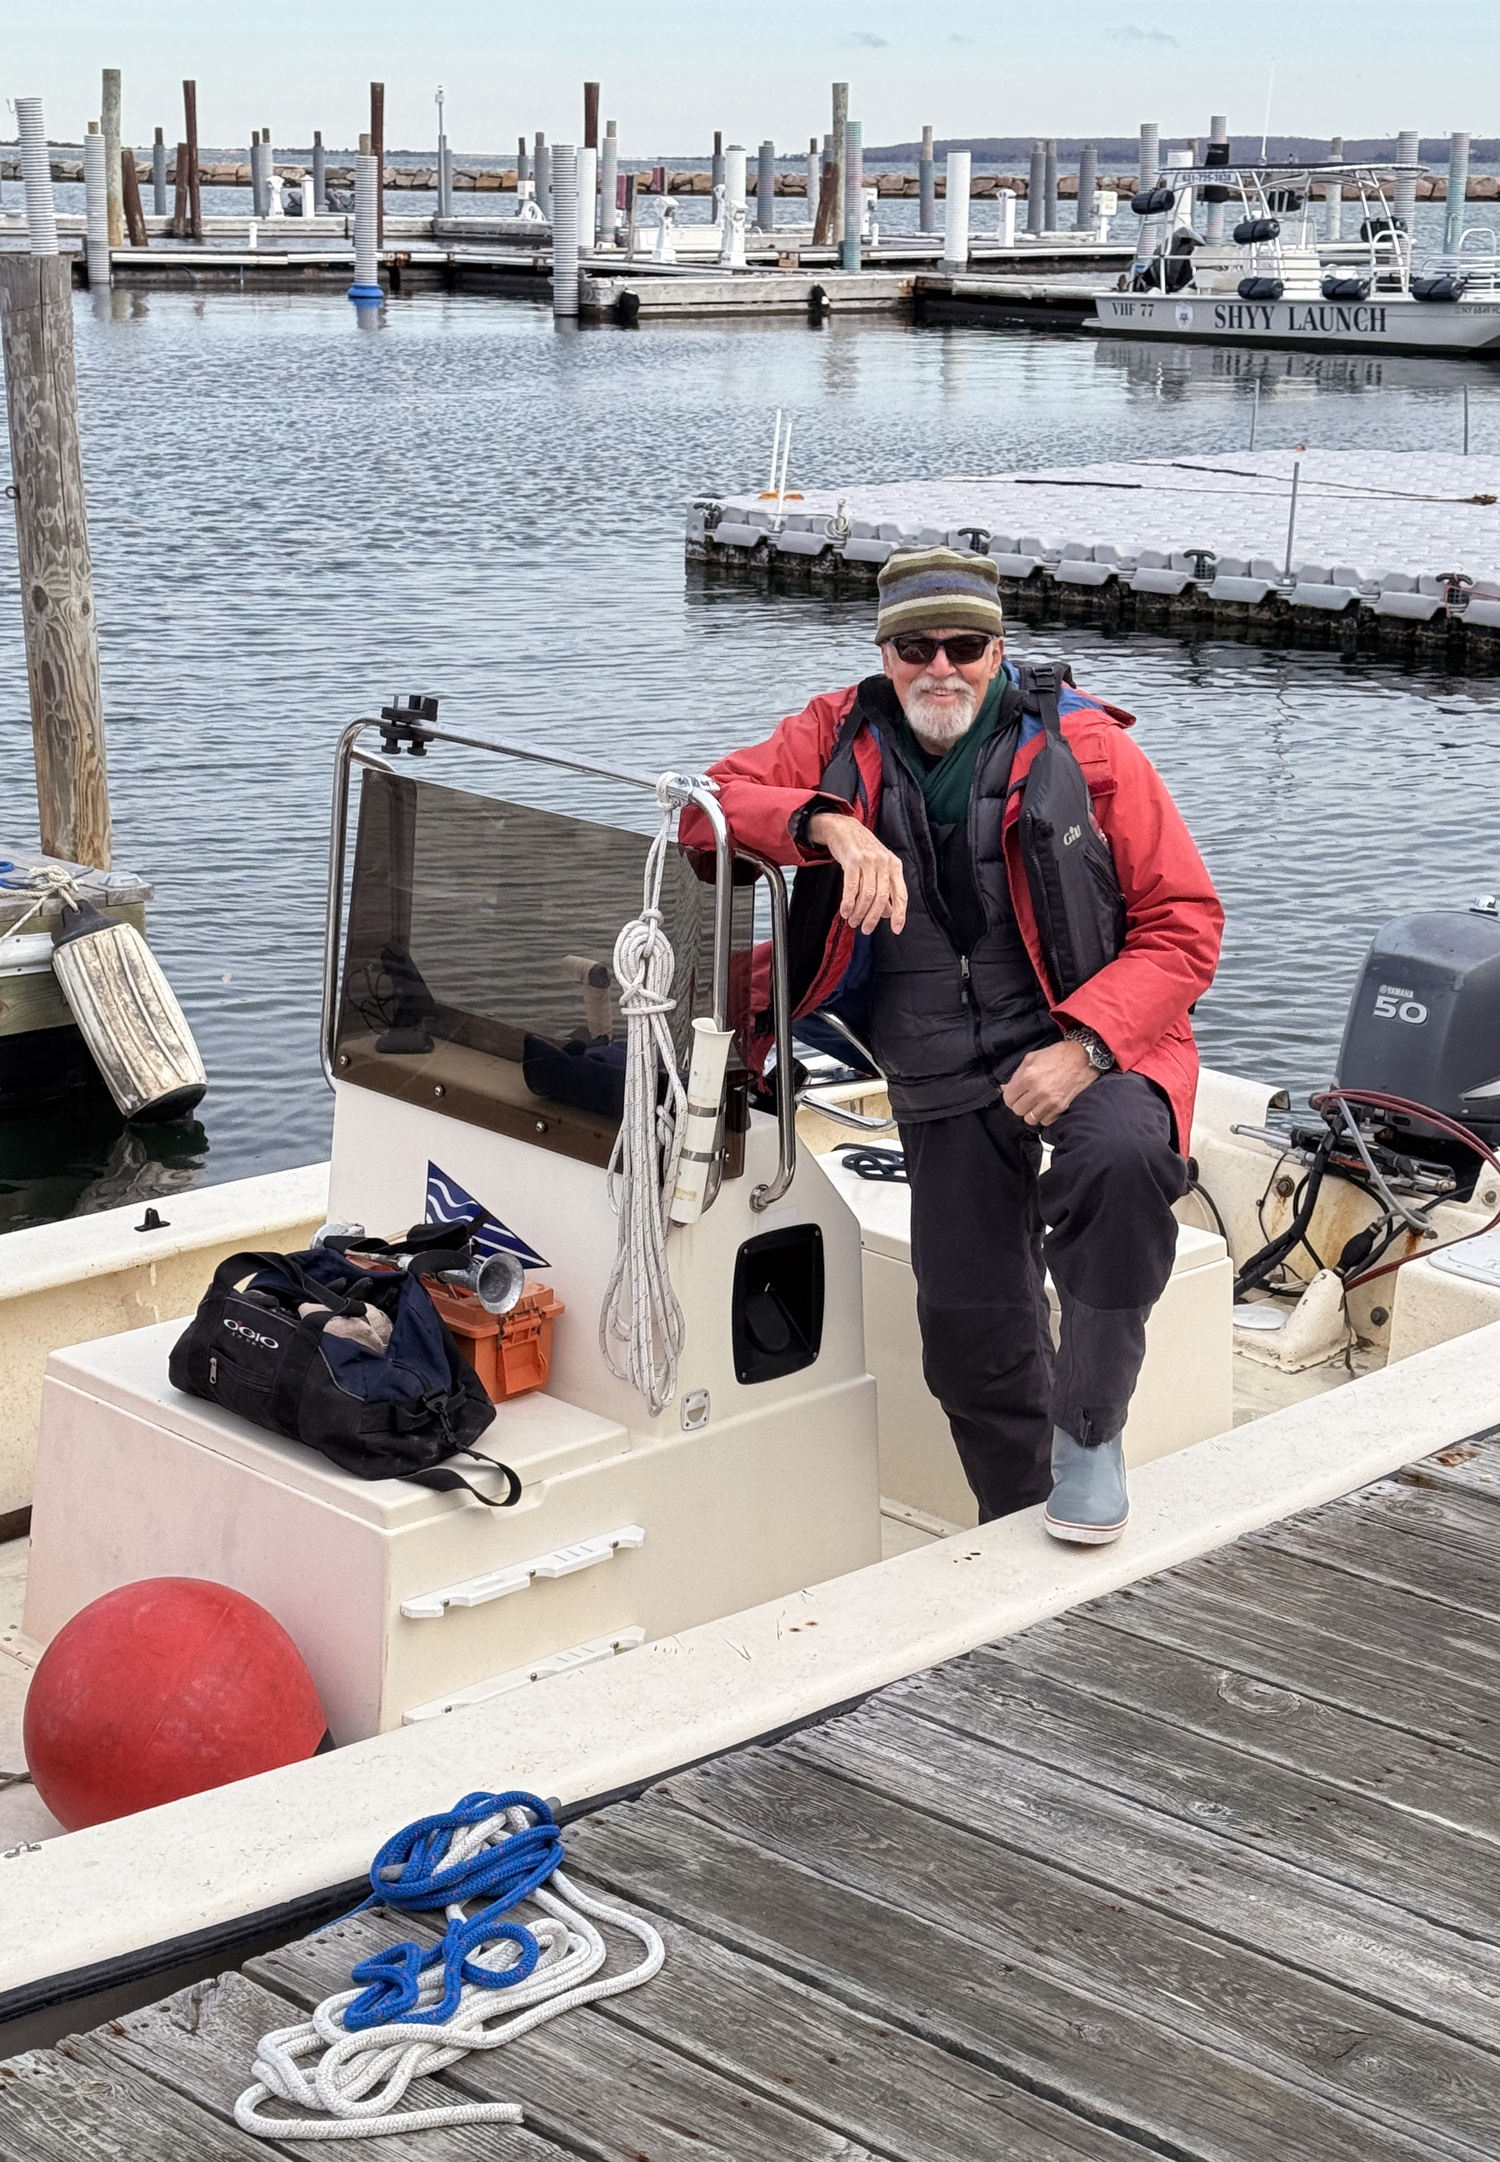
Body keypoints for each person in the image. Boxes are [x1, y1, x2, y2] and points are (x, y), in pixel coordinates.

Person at [690, 546, 1223, 1542]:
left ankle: (1090, 1428)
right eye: (915, 646)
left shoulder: (1090, 750)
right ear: (884, 653)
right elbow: (703, 811)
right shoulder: (831, 733)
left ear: (999, 649)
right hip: (933, 1057)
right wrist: (824, 824)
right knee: (969, 1333)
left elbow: (1185, 925)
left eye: (965, 645)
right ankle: (1018, 1509)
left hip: (1085, 1035)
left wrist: (1089, 1046)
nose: (941, 667)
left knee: (1121, 1157)